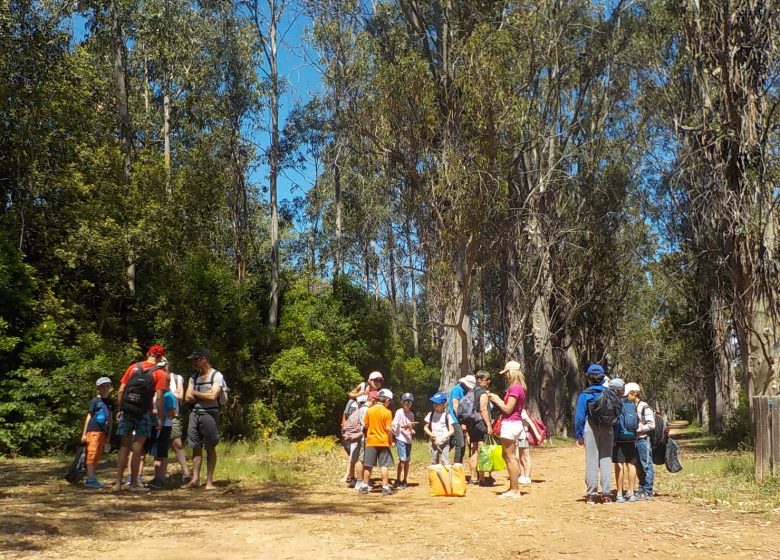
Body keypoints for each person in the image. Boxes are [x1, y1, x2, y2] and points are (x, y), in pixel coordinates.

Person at [113, 344, 167, 493]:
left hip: (127, 411)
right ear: (161, 357)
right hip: (144, 413)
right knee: (137, 448)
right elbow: (160, 398)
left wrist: (120, 409)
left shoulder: (133, 367)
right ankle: (133, 483)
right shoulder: (160, 373)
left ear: (148, 353)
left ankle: (117, 483)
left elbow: (121, 390)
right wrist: (160, 417)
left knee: (124, 446)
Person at [574, 364, 615, 504]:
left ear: (589, 378)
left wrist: (579, 435)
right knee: (606, 459)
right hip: (608, 428)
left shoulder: (585, 394)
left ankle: (591, 494)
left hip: (590, 427)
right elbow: (617, 412)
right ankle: (607, 494)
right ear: (604, 377)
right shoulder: (610, 393)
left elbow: (579, 417)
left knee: (591, 460)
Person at [184, 348, 224, 490]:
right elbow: (186, 397)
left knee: (210, 447)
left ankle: (209, 482)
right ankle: (195, 479)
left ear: (204, 359)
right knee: (195, 447)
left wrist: (195, 393)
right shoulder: (193, 377)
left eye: (196, 359)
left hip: (210, 415)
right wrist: (202, 395)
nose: (193, 362)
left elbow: (213, 396)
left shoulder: (216, 375)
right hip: (194, 414)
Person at [488, 360, 527, 499]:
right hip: (514, 424)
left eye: (506, 373)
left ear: (512, 372)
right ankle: (513, 487)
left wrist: (497, 400)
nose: (505, 376)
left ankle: (515, 489)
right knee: (508, 456)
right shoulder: (519, 387)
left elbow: (508, 408)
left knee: (510, 457)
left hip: (510, 424)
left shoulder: (515, 388)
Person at [359, 388, 395, 496]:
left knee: (368, 465)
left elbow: (365, 425)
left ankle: (364, 486)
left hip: (371, 441)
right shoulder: (387, 412)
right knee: (384, 465)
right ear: (387, 400)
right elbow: (388, 429)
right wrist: (391, 441)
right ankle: (385, 488)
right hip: (383, 442)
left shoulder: (370, 410)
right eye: (390, 401)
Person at [81, 376, 114, 489]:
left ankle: (92, 477)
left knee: (98, 455)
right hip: (93, 429)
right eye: (102, 386)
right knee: (92, 453)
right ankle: (90, 479)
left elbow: (111, 418)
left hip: (103, 431)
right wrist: (84, 433)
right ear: (98, 388)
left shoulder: (110, 402)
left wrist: (109, 435)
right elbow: (89, 416)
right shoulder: (95, 400)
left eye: (107, 386)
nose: (105, 389)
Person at [148, 362, 177, 489]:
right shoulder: (157, 394)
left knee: (163, 452)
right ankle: (157, 476)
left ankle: (161, 477)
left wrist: (157, 412)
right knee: (156, 452)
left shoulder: (169, 396)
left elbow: (172, 413)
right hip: (155, 424)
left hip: (165, 426)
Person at [626, 382, 655, 500]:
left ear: (635, 394)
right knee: (638, 465)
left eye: (628, 394)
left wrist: (638, 429)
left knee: (646, 465)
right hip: (634, 440)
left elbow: (652, 425)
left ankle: (647, 491)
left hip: (644, 440)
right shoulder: (630, 406)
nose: (626, 396)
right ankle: (641, 489)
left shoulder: (644, 407)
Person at [611, 378, 638, 503]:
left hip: (619, 438)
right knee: (631, 464)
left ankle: (620, 493)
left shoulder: (616, 403)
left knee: (619, 464)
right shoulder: (631, 405)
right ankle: (631, 493)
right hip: (631, 438)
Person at [468, 371, 492, 485]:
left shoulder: (472, 391)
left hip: (472, 424)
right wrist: (488, 425)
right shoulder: (482, 393)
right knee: (482, 450)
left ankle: (473, 477)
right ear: (480, 380)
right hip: (481, 424)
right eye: (487, 379)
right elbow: (483, 409)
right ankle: (482, 478)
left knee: (474, 450)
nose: (488, 382)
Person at [168, 364, 191, 483]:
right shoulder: (154, 376)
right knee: (157, 447)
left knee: (177, 444)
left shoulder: (177, 378)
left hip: (173, 416)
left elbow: (181, 396)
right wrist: (173, 393)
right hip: (156, 415)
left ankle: (186, 472)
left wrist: (167, 392)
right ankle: (158, 477)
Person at [448, 375, 475, 464]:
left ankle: (459, 464)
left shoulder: (465, 391)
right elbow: (455, 405)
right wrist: (461, 419)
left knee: (462, 445)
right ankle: (456, 465)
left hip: (461, 420)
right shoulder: (457, 389)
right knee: (460, 444)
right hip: (455, 419)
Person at [392, 393, 416, 488]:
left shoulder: (411, 414)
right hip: (400, 438)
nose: (408, 403)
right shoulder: (399, 412)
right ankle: (398, 479)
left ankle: (405, 479)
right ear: (402, 402)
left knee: (407, 461)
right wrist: (403, 426)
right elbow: (395, 424)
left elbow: (411, 426)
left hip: (408, 440)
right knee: (402, 460)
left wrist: (412, 429)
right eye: (406, 401)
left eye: (410, 401)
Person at [425, 391, 455, 465]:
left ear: (443, 404)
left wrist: (442, 438)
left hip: (445, 442)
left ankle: (445, 476)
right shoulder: (431, 414)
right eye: (434, 403)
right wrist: (431, 435)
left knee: (445, 461)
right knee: (434, 461)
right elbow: (425, 427)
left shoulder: (447, 416)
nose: (434, 405)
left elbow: (451, 430)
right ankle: (435, 476)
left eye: (437, 403)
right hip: (434, 442)